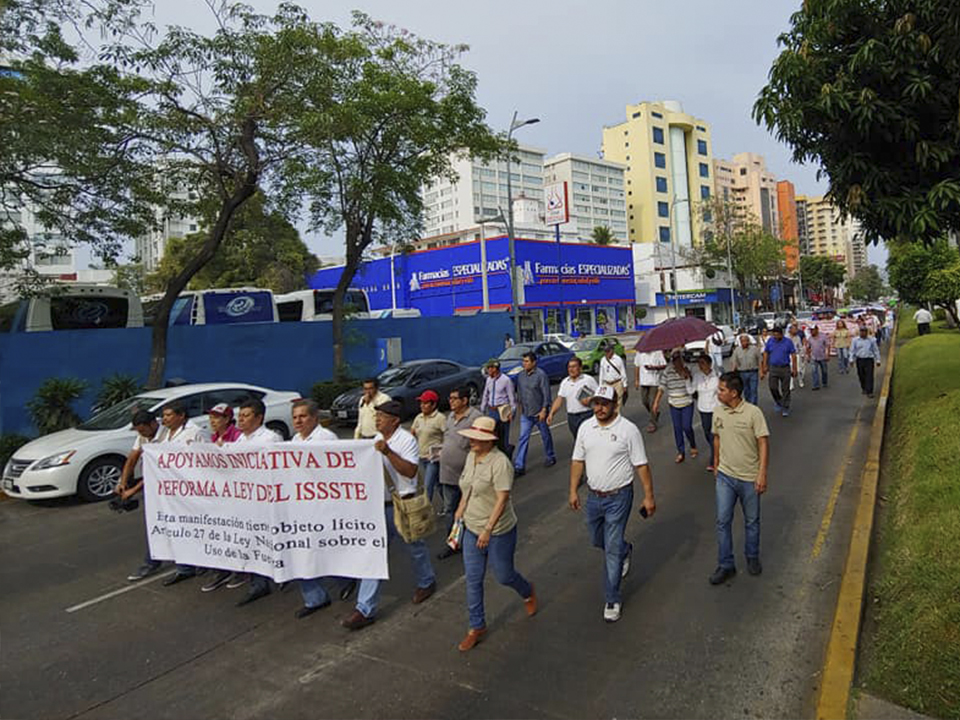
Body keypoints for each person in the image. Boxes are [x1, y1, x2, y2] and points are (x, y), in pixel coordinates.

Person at [342, 400, 437, 630]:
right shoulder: (375, 440)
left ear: (394, 420)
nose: (377, 420)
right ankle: (365, 609)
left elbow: (410, 470)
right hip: (378, 506)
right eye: (376, 416)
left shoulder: (405, 441)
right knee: (373, 555)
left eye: (381, 417)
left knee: (415, 548)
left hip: (402, 504)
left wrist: (388, 452)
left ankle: (427, 581)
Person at [569, 385, 656, 623]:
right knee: (597, 539)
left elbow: (641, 465)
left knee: (612, 547)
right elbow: (577, 460)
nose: (599, 408)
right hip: (594, 497)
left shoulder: (628, 430)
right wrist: (573, 490)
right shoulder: (586, 428)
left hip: (619, 496)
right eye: (596, 403)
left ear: (614, 404)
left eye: (604, 403)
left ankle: (612, 598)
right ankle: (625, 550)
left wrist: (648, 496)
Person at [454, 416, 537, 651]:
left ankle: (527, 590)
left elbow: (502, 499)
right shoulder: (471, 457)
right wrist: (461, 508)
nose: (472, 442)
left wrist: (488, 530)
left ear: (490, 441)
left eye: (477, 439)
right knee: (473, 579)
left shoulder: (500, 463)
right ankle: (476, 626)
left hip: (498, 530)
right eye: (471, 438)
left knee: (503, 574)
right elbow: (468, 486)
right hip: (471, 527)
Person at [287, 399, 357, 619]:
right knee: (302, 552)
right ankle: (314, 598)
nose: (298, 421)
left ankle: (346, 578)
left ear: (314, 418)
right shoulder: (294, 440)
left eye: (303, 416)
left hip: (324, 508)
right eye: (295, 417)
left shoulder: (327, 438)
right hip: (300, 507)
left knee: (326, 551)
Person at [709, 372, 770, 585]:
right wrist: (716, 463)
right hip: (725, 477)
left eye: (722, 390)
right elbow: (716, 438)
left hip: (749, 478)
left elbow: (763, 443)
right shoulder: (718, 412)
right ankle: (726, 564)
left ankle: (752, 557)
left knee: (752, 522)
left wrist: (762, 473)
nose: (718, 393)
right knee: (722, 521)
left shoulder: (754, 413)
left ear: (734, 393)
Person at [148, 401, 206, 587]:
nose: (164, 419)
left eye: (168, 415)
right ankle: (184, 568)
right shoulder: (164, 433)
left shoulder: (194, 432)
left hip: (191, 489)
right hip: (171, 491)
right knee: (177, 529)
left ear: (181, 416)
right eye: (164, 415)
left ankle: (202, 563)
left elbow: (206, 459)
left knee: (196, 528)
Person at [233, 398, 281, 606]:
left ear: (259, 418)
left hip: (267, 503)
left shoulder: (270, 439)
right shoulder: (239, 441)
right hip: (247, 502)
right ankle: (258, 583)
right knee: (253, 544)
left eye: (245, 416)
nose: (240, 420)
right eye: (239, 416)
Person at [200, 403, 245, 593]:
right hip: (220, 494)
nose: (212, 421)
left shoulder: (236, 436)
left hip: (237, 494)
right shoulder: (212, 437)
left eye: (217, 417)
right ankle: (223, 569)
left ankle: (241, 569)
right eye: (211, 417)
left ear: (227, 419)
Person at [437, 386, 482, 560]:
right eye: (450, 398)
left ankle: (472, 542)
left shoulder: (476, 417)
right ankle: (452, 542)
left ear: (464, 400)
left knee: (469, 509)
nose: (451, 401)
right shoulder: (450, 417)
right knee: (450, 510)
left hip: (467, 474)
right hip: (447, 472)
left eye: (455, 398)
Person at [121, 410, 162, 581]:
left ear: (153, 424)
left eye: (143, 430)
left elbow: (156, 471)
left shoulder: (166, 436)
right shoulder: (143, 436)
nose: (141, 434)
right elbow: (132, 459)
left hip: (166, 486)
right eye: (139, 431)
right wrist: (123, 483)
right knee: (155, 525)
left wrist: (133, 490)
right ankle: (152, 561)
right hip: (152, 490)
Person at [513, 352, 555, 476]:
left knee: (545, 435)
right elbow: (519, 392)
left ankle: (550, 456)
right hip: (526, 413)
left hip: (539, 412)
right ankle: (519, 466)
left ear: (534, 362)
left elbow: (546, 394)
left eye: (526, 361)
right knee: (523, 438)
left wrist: (544, 410)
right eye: (523, 361)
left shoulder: (541, 375)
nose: (524, 364)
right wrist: (520, 406)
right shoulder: (521, 376)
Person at [652, 350, 697, 464]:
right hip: (674, 403)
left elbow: (694, 386)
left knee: (687, 427)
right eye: (675, 360)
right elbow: (662, 387)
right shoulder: (668, 371)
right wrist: (656, 402)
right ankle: (680, 451)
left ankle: (692, 444)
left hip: (687, 402)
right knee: (677, 429)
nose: (678, 362)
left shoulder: (688, 368)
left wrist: (688, 376)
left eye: (679, 359)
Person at [548, 356, 598, 442]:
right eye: (569, 367)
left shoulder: (588, 380)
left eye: (574, 366)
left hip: (586, 415)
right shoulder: (565, 382)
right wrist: (551, 413)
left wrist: (590, 400)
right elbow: (559, 399)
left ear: (580, 368)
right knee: (578, 440)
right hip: (572, 417)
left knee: (588, 439)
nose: (571, 369)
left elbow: (599, 396)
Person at [411, 390, 445, 502]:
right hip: (421, 457)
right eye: (421, 403)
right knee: (437, 483)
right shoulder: (419, 417)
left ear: (434, 404)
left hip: (433, 458)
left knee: (427, 485)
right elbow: (413, 431)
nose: (422, 406)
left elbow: (448, 436)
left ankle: (426, 511)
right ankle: (449, 505)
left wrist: (441, 451)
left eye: (425, 403)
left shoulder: (440, 418)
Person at [688, 355, 720, 472]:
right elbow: (691, 391)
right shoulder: (697, 376)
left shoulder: (717, 375)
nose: (700, 366)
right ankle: (717, 451)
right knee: (707, 433)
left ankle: (714, 460)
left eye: (703, 363)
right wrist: (687, 379)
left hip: (716, 409)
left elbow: (722, 392)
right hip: (703, 409)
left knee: (714, 434)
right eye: (699, 363)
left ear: (709, 364)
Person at [479, 360, 516, 455]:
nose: (488, 370)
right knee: (492, 436)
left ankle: (507, 452)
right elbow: (486, 394)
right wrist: (483, 408)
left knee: (504, 437)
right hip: (491, 410)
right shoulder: (488, 380)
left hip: (503, 411)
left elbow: (512, 397)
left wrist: (512, 412)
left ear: (495, 368)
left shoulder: (506, 380)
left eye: (490, 368)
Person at [761, 325, 797, 418]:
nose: (775, 337)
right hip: (773, 368)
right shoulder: (770, 341)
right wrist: (765, 365)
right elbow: (766, 353)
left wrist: (794, 368)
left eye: (777, 335)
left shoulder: (788, 342)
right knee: (773, 387)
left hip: (785, 368)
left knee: (785, 388)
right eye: (774, 335)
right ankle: (778, 401)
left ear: (781, 334)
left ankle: (785, 406)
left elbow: (793, 355)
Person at [633, 347, 667, 433]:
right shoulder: (639, 352)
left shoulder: (658, 351)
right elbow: (637, 366)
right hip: (643, 381)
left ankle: (653, 422)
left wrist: (654, 367)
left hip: (654, 381)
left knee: (652, 402)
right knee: (644, 401)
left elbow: (664, 365)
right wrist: (637, 380)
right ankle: (655, 413)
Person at [850, 326, 882, 397]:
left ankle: (870, 391)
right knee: (861, 374)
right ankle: (864, 387)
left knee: (869, 375)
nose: (863, 333)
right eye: (862, 331)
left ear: (867, 332)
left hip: (869, 359)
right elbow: (852, 350)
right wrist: (851, 359)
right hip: (860, 359)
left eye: (864, 332)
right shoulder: (855, 340)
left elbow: (875, 350)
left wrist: (878, 360)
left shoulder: (872, 340)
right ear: (859, 332)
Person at [731, 334, 761, 405]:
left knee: (753, 390)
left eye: (745, 341)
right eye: (742, 341)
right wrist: (732, 374)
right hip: (742, 373)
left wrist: (761, 371)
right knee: (746, 391)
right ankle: (748, 405)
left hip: (753, 372)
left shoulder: (754, 349)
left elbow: (760, 360)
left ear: (748, 341)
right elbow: (734, 362)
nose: (744, 343)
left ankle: (753, 406)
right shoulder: (737, 350)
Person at [807, 325, 831, 391]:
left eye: (813, 330)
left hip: (822, 356)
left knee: (824, 371)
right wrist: (808, 356)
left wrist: (827, 354)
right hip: (814, 357)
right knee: (814, 371)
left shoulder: (823, 336)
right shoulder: (810, 338)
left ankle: (824, 382)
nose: (811, 332)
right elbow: (808, 348)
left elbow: (827, 345)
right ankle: (815, 385)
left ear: (817, 329)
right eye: (810, 330)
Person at [788, 323, 807, 390]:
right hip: (789, 355)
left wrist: (802, 354)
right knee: (790, 370)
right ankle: (791, 384)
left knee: (798, 370)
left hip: (796, 354)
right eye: (794, 329)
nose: (795, 331)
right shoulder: (786, 338)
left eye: (796, 329)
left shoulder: (798, 337)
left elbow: (800, 347)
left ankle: (800, 380)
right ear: (790, 330)